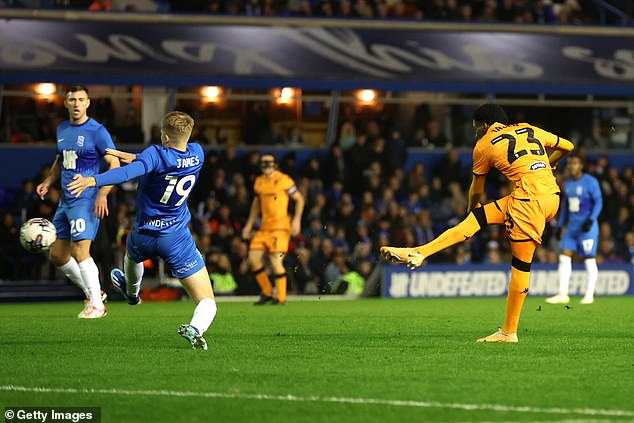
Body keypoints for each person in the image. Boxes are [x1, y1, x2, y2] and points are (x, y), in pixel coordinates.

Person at [381, 104, 575, 343]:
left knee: (521, 265)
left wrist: (470, 211)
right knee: (479, 219)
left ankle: (508, 332)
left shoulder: (484, 145)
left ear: (484, 124)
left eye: (476, 127)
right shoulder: (527, 129)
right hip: (551, 197)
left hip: (528, 202)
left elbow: (476, 190)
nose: (475, 132)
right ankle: (419, 252)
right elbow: (568, 146)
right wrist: (550, 164)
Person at [67, 111, 217, 350]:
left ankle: (133, 294)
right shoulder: (198, 153)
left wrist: (92, 180)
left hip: (145, 234)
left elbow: (127, 174)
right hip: (176, 237)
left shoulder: (155, 154)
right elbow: (169, 161)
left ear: (165, 137)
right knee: (208, 301)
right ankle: (195, 329)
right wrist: (139, 159)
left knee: (132, 256)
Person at [36, 85, 120, 319]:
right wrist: (49, 181)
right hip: (65, 201)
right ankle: (94, 291)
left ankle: (97, 305)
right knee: (57, 256)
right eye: (71, 100)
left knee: (80, 250)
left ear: (88, 103)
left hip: (86, 199)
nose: (76, 104)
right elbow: (61, 160)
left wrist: (102, 193)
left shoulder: (98, 131)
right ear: (65, 103)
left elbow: (115, 165)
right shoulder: (62, 129)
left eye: (80, 99)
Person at [241, 153, 305, 305]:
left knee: (276, 261)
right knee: (253, 259)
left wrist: (297, 220)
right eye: (264, 163)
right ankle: (268, 292)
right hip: (264, 228)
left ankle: (281, 298)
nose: (266, 166)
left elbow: (300, 199)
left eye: (269, 163)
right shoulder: (259, 182)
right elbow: (256, 204)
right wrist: (249, 225)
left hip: (280, 228)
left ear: (275, 164)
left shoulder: (284, 180)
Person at [546, 155, 603, 305]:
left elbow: (598, 202)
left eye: (575, 163)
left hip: (587, 228)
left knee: (589, 258)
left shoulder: (590, 182)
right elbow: (565, 206)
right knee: (564, 256)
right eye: (570, 163)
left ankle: (589, 294)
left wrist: (591, 220)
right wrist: (559, 226)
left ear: (581, 166)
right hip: (572, 228)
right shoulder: (568, 184)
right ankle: (563, 294)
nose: (571, 166)